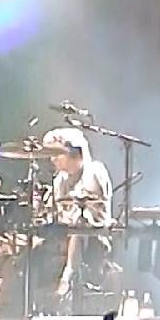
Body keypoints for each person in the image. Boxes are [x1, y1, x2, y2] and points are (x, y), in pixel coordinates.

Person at [42, 127, 114, 297]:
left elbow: (96, 214)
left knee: (79, 228)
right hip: (65, 233)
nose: (52, 159)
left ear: (74, 152)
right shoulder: (59, 180)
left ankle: (68, 277)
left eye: (57, 154)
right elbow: (58, 214)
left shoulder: (94, 171)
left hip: (93, 235)